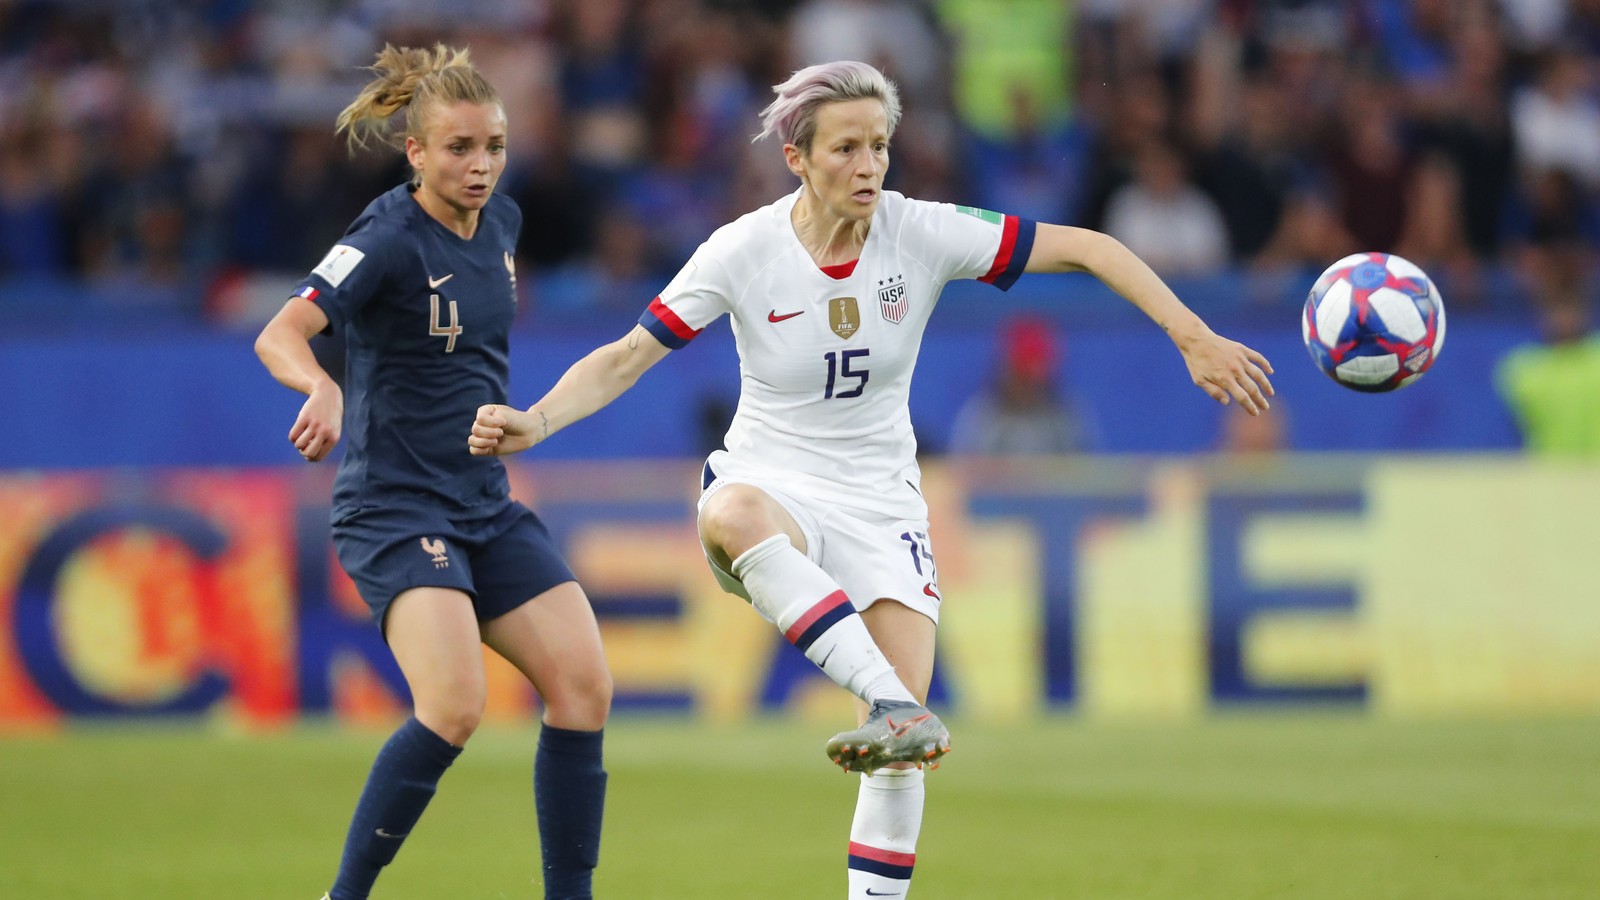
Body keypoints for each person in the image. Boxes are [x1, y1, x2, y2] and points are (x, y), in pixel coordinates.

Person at [466, 60, 1274, 899]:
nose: (869, 166)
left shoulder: (918, 231)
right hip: (772, 479)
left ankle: (891, 720)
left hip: (884, 503)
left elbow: (1090, 246)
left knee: (897, 763)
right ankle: (892, 702)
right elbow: (629, 356)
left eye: (881, 147)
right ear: (798, 158)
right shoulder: (744, 250)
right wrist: (540, 421)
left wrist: (1192, 335)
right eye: (846, 148)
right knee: (733, 513)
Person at [252, 44, 611, 900]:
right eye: (458, 148)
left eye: (492, 145)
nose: (479, 164)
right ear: (415, 152)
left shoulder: (504, 225)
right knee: (453, 708)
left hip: (484, 504)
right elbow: (280, 334)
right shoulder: (384, 238)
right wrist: (322, 386)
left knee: (585, 688)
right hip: (395, 509)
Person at [948, 314, 1098, 455]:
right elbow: (964, 475)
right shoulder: (982, 415)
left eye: (1039, 370)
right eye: (1023, 372)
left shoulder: (1066, 416)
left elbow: (1086, 473)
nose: (1030, 383)